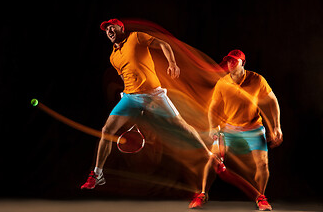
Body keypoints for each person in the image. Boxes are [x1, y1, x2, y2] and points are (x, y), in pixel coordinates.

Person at [80, 19, 212, 199]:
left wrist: (172, 63)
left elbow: (164, 44)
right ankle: (97, 174)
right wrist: (129, 100)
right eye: (106, 29)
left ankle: (208, 153)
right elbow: (127, 75)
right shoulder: (113, 57)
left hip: (154, 95)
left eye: (112, 27)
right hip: (130, 98)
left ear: (121, 28)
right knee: (107, 130)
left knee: (181, 125)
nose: (109, 30)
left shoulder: (136, 37)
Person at [189, 50, 283, 211]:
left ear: (243, 63)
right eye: (228, 61)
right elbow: (213, 108)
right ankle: (202, 194)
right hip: (229, 128)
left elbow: (273, 101)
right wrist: (213, 127)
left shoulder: (257, 79)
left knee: (262, 164)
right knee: (212, 159)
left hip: (253, 128)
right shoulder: (222, 83)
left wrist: (276, 126)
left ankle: (261, 197)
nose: (230, 64)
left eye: (235, 61)